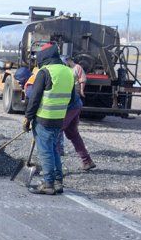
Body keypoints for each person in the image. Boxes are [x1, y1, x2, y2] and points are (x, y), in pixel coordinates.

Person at [23, 43, 75, 195]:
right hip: (59, 119)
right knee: (54, 150)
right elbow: (72, 99)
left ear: (43, 58)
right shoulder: (68, 72)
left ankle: (48, 184)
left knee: (45, 152)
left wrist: (28, 117)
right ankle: (58, 182)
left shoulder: (44, 72)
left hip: (44, 119)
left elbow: (34, 98)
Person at [57, 56, 96, 171]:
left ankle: (55, 167)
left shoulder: (65, 73)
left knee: (56, 131)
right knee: (73, 133)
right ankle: (87, 161)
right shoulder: (67, 72)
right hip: (75, 105)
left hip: (71, 106)